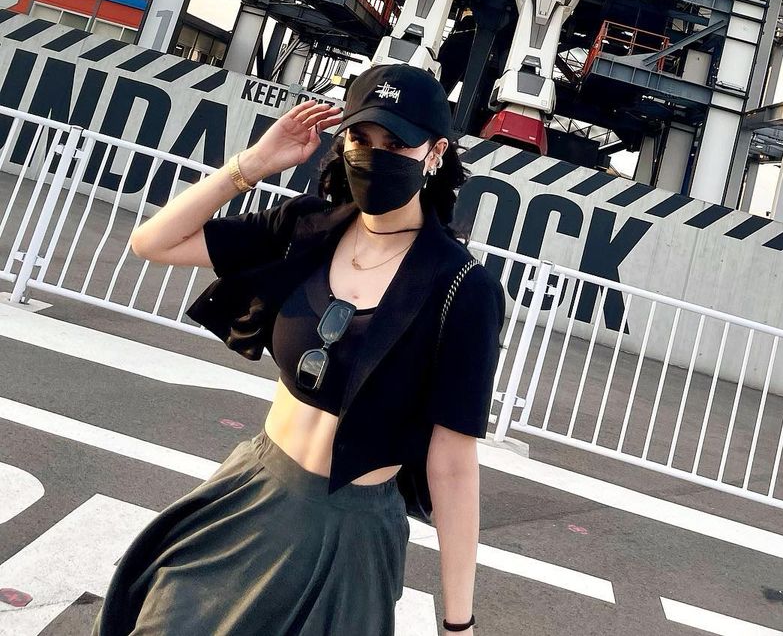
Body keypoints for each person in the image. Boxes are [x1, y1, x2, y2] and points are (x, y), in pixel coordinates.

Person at [93, 63, 505, 636]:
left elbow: (453, 465)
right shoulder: (306, 227)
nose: (374, 155)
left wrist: (459, 623)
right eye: (361, 137)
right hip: (252, 491)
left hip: (349, 538)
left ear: (434, 154)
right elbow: (153, 242)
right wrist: (255, 164)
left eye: (396, 144)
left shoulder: (462, 287)